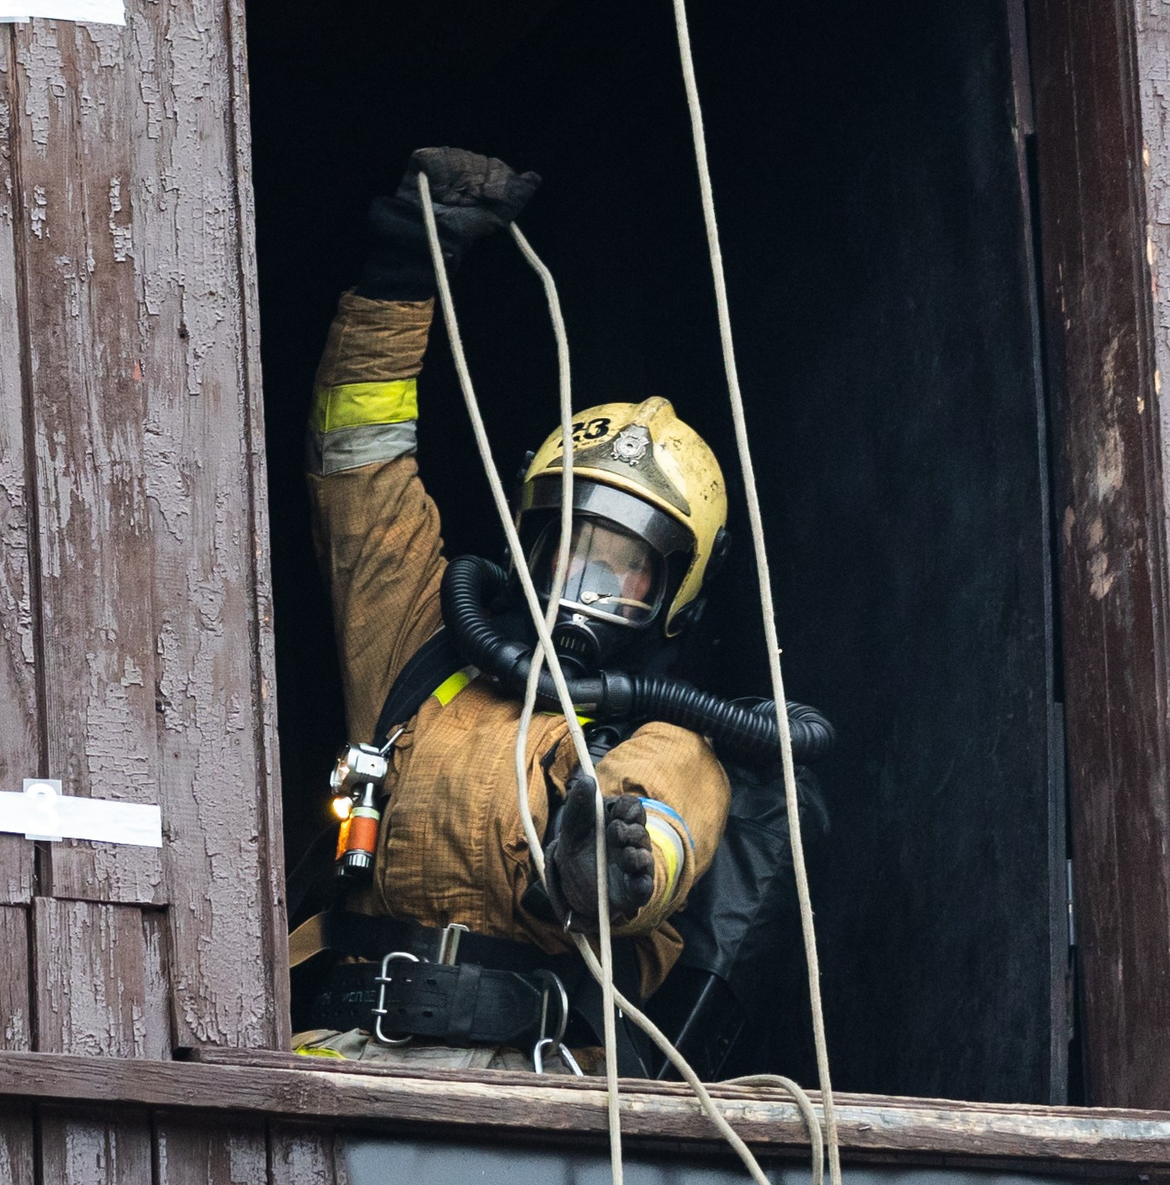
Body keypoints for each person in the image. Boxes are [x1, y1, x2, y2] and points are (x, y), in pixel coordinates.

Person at [290, 147, 810, 1069]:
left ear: (675, 593)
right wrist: (405, 274)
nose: (581, 585)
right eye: (564, 546)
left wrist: (606, 862)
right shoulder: (416, 652)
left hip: (524, 1103)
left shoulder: (672, 739)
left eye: (623, 571)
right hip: (334, 1060)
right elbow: (357, 466)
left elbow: (657, 819)